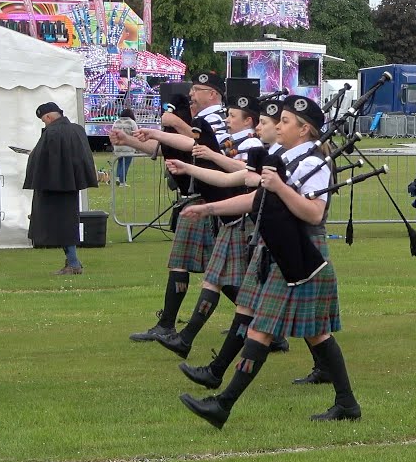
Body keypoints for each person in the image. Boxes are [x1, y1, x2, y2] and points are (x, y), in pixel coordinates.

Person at [179, 95, 361, 427]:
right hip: (284, 250)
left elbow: (314, 212)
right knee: (316, 334)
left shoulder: (311, 164)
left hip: (302, 254)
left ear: (305, 129)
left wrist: (279, 185)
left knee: (262, 331)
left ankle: (222, 404)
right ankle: (347, 404)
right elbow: (256, 198)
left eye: (286, 122)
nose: (278, 125)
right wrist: (208, 208)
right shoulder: (288, 159)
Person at [113, 73, 242, 343]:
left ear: (214, 94)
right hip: (205, 196)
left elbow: (208, 148)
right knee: (216, 270)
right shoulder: (199, 119)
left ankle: (168, 325)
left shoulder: (213, 118)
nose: (192, 94)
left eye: (198, 89)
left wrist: (172, 124)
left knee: (191, 264)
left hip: (208, 196)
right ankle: (257, 321)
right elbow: (165, 148)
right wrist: (129, 140)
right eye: (193, 89)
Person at [150, 95, 273, 360]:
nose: (227, 121)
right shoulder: (236, 141)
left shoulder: (252, 143)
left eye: (232, 117)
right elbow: (229, 175)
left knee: (244, 291)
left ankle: (192, 342)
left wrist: (212, 157)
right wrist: (189, 167)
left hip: (245, 218)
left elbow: (242, 176)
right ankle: (188, 340)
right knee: (217, 281)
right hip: (233, 215)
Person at [23, 102, 97, 274]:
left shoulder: (52, 132)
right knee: (67, 224)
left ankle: (73, 263)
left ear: (48, 117)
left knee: (60, 225)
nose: (45, 123)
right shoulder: (77, 130)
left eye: (43, 120)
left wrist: (33, 155)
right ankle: (73, 261)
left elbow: (43, 158)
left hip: (52, 186)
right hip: (71, 185)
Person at [111, 109, 138, 187]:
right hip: (128, 146)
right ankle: (122, 181)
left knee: (119, 163)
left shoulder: (116, 122)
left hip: (118, 146)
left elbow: (112, 132)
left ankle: (118, 178)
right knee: (125, 164)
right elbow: (136, 133)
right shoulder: (132, 122)